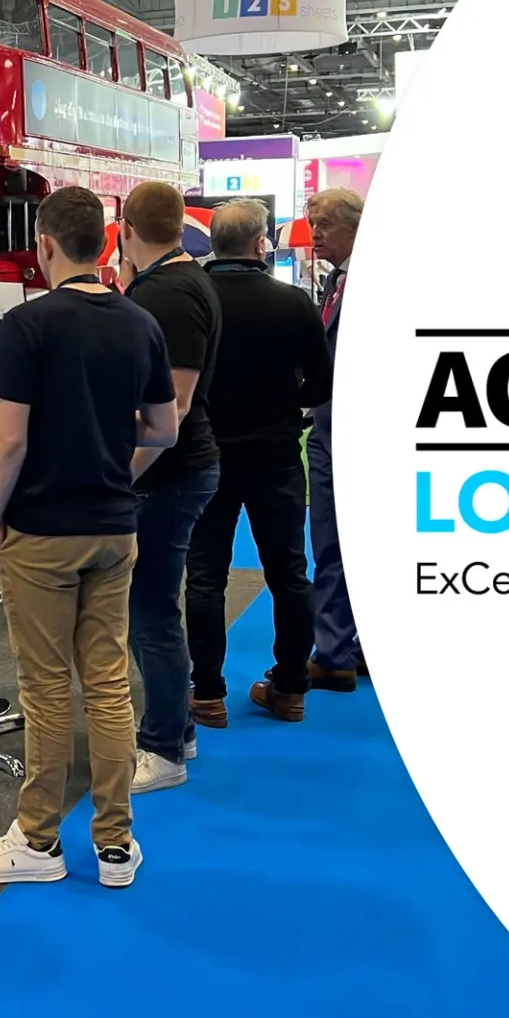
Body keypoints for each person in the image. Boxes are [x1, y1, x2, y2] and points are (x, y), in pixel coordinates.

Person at [0, 186, 178, 889]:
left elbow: (9, 440)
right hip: (114, 526)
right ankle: (115, 847)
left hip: (41, 532)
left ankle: (39, 842)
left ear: (44, 245)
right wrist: (116, 469)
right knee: (108, 684)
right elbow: (164, 429)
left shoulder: (24, 327)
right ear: (106, 244)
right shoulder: (141, 322)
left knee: (46, 690)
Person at [184, 200, 333, 723]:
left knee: (205, 575)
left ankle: (205, 693)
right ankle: (291, 687)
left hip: (206, 453)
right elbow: (322, 382)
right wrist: (288, 400)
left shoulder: (193, 301)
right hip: (275, 452)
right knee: (289, 572)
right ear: (259, 243)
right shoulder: (293, 303)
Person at [117, 182, 221, 793]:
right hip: (174, 470)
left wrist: (118, 475)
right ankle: (175, 729)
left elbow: (172, 407)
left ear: (127, 228)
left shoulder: (171, 292)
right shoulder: (178, 282)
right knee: (155, 609)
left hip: (168, 474)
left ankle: (162, 747)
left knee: (151, 613)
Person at [305, 188, 363, 690]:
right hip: (330, 423)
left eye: (324, 224)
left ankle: (333, 651)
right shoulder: (337, 280)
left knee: (333, 538)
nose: (315, 234)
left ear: (354, 226)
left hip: (345, 428)